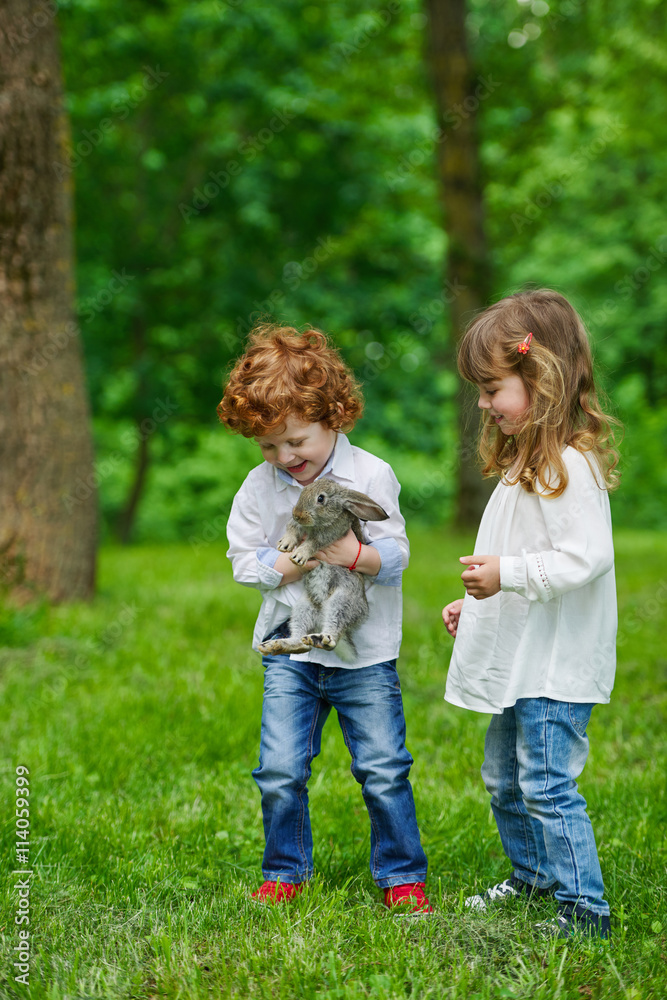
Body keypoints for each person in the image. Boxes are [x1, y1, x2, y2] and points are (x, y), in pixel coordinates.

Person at [218, 323, 431, 913]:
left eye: (296, 441)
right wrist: (286, 562)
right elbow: (242, 560)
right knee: (280, 768)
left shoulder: (371, 475)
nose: (285, 458)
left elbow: (398, 555)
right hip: (293, 652)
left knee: (384, 767)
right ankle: (286, 869)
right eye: (268, 446)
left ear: (334, 416)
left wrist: (355, 555)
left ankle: (402, 876)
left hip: (365, 657)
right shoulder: (259, 490)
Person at [441, 289, 620, 940]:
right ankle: (533, 878)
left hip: (553, 666)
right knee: (504, 780)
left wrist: (505, 576)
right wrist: (479, 600)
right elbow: (520, 554)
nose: (483, 404)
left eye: (491, 388)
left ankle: (584, 912)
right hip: (523, 657)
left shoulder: (569, 465)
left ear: (539, 376)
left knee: (544, 785)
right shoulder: (526, 460)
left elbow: (583, 558)